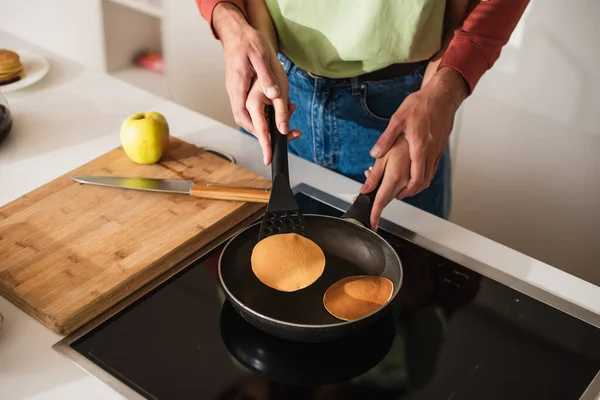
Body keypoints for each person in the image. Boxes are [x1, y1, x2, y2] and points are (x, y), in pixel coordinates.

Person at [195, 0, 529, 230]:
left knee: (401, 300)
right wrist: (230, 21)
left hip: (403, 110)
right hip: (272, 88)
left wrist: (444, 91)